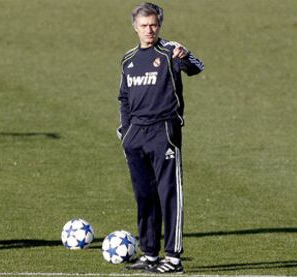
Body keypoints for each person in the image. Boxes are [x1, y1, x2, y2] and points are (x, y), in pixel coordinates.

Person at [117, 2, 204, 274]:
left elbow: (196, 67)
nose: (149, 30)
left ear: (159, 25)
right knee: (144, 196)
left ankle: (173, 258)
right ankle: (150, 253)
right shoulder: (128, 60)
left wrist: (186, 55)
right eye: (144, 25)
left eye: (153, 24)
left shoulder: (169, 52)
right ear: (135, 27)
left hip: (163, 132)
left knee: (169, 195)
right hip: (136, 136)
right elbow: (124, 99)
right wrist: (125, 132)